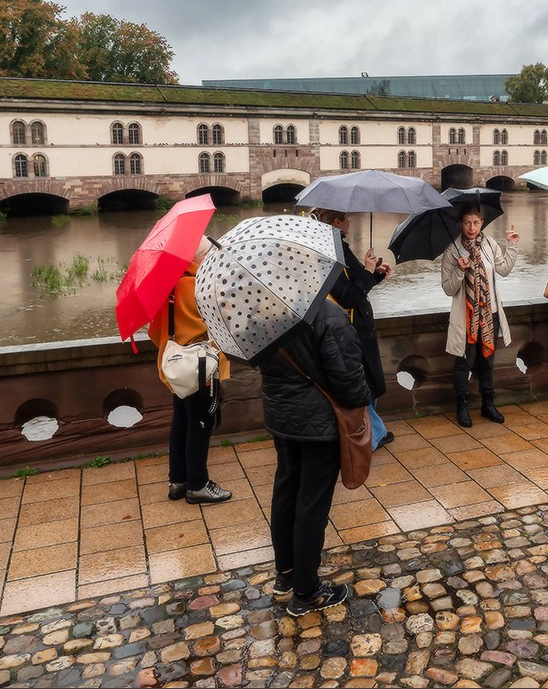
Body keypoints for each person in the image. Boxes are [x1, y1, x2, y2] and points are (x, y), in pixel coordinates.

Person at [257, 299, 371, 616]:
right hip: (319, 422)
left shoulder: (263, 311)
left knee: (286, 491)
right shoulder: (328, 314)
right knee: (312, 503)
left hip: (281, 417)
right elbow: (349, 383)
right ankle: (307, 592)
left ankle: (287, 575)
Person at [147, 236, 232, 505]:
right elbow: (224, 321)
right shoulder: (201, 286)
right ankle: (198, 484)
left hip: (176, 367)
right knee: (200, 424)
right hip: (200, 368)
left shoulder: (169, 286)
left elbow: (154, 331)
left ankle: (178, 480)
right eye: (207, 256)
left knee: (181, 421)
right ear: (199, 259)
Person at [311, 208, 394, 450]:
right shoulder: (329, 253)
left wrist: (375, 273)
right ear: (337, 222)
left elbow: (356, 283)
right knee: (363, 383)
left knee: (369, 381)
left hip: (359, 325)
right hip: (350, 329)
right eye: (348, 218)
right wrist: (368, 271)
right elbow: (347, 296)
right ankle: (371, 436)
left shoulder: (340, 247)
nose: (351, 220)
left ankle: (375, 432)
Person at [440, 203, 519, 428]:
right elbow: (448, 288)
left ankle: (488, 404)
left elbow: (503, 269)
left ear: (482, 223)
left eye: (476, 222)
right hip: (466, 317)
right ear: (460, 224)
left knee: (487, 361)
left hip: (489, 313)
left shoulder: (490, 244)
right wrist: (459, 270)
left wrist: (511, 246)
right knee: (463, 362)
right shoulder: (452, 251)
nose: (472, 228)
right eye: (467, 223)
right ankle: (462, 405)